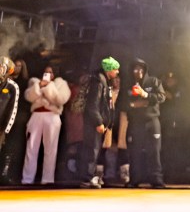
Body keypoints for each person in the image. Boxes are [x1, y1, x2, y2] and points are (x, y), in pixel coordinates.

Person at [21, 65, 71, 185]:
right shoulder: (34, 82)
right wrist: (39, 86)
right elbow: (28, 96)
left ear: (55, 74)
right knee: (31, 148)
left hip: (52, 116)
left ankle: (47, 180)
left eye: (51, 72)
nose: (49, 74)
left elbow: (60, 99)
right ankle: (27, 180)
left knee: (51, 149)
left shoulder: (61, 84)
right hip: (36, 116)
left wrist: (48, 86)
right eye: (46, 72)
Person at [120, 59, 166, 188]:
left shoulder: (153, 81)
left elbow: (161, 97)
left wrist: (145, 95)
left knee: (154, 151)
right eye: (135, 69)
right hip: (135, 123)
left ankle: (156, 179)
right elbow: (122, 103)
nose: (138, 72)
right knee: (135, 152)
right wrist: (133, 104)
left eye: (141, 69)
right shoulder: (128, 84)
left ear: (145, 70)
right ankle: (135, 179)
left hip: (152, 121)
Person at [78, 57, 119, 188]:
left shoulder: (103, 80)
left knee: (94, 150)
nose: (117, 72)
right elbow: (93, 105)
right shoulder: (99, 82)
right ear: (109, 69)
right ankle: (86, 178)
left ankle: (89, 177)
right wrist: (99, 122)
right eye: (115, 69)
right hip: (94, 123)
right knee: (91, 149)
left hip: (97, 122)